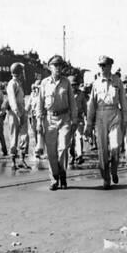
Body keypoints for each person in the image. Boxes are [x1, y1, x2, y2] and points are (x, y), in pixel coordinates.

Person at [85, 56, 127, 189]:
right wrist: (89, 123)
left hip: (115, 114)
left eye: (104, 65)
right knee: (102, 150)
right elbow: (91, 104)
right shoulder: (96, 83)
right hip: (100, 115)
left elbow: (123, 103)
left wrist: (125, 121)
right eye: (100, 66)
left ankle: (114, 169)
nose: (102, 68)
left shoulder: (117, 81)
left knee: (115, 146)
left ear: (110, 66)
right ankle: (106, 177)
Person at [36, 55, 78, 190]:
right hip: (49, 120)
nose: (58, 68)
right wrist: (38, 121)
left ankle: (62, 173)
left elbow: (72, 103)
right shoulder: (44, 83)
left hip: (64, 119)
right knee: (51, 152)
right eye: (55, 65)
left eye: (60, 65)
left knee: (63, 148)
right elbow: (40, 104)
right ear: (50, 67)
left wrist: (75, 119)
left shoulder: (66, 83)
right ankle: (54, 178)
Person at [6, 62, 30, 170]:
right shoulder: (12, 84)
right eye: (22, 71)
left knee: (24, 136)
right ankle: (13, 162)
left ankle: (22, 159)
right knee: (14, 137)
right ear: (19, 72)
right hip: (14, 113)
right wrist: (18, 113)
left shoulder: (18, 83)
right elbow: (12, 100)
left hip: (21, 111)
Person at [69, 76, 88, 165]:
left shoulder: (81, 94)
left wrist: (87, 115)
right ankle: (72, 156)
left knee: (79, 137)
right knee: (70, 140)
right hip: (69, 119)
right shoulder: (67, 94)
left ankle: (79, 156)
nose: (74, 87)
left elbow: (84, 106)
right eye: (72, 85)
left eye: (76, 85)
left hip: (79, 118)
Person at [26, 79, 44, 158]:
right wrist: (24, 113)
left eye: (39, 88)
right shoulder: (32, 95)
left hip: (42, 117)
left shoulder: (44, 95)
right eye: (36, 88)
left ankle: (40, 150)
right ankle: (38, 148)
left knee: (41, 133)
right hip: (33, 117)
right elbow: (28, 105)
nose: (37, 89)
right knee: (35, 133)